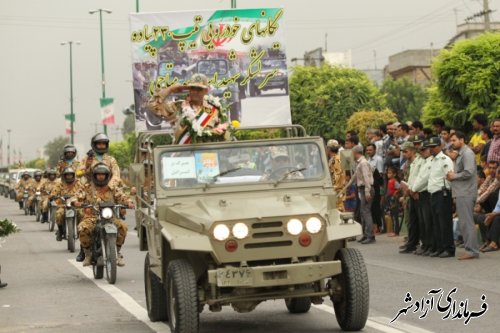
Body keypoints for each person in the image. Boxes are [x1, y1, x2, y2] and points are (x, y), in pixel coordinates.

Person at [72, 163, 134, 267]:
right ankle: (88, 254)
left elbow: (122, 196)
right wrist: (75, 202)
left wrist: (129, 202)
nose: (101, 176)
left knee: (123, 227)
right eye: (98, 174)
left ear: (107, 176)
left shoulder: (112, 188)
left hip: (110, 217)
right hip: (92, 216)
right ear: (95, 176)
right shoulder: (88, 187)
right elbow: (76, 196)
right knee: (82, 228)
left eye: (103, 174)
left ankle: (117, 252)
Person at [147, 73, 229, 144]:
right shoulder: (178, 107)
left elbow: (224, 133)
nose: (195, 91)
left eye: (199, 89)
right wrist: (170, 89)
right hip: (184, 156)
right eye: (192, 88)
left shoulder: (214, 109)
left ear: (206, 91)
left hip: (207, 156)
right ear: (189, 90)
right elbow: (152, 105)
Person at [446, 131, 479, 260]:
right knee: (464, 222)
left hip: (466, 192)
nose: (451, 143)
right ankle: (470, 249)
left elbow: (469, 172)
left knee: (467, 222)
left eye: (454, 140)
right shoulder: (461, 154)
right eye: (451, 141)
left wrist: (454, 176)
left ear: (462, 140)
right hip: (461, 192)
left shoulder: (467, 153)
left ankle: (472, 251)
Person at [427, 137, 455, 258]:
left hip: (442, 193)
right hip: (433, 193)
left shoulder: (445, 159)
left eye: (433, 147)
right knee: (436, 223)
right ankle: (440, 247)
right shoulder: (432, 160)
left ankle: (448, 248)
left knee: (444, 223)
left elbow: (449, 177)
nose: (431, 149)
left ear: (440, 146)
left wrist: (448, 192)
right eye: (430, 147)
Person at [410, 140, 434, 256]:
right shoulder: (423, 161)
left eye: (424, 150)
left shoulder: (430, 162)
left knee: (428, 222)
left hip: (425, 192)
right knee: (423, 222)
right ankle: (425, 244)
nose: (422, 152)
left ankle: (429, 245)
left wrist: (414, 189)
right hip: (419, 192)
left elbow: (424, 179)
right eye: (421, 150)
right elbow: (418, 177)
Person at [50, 167, 84, 242]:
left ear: (73, 175)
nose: (69, 177)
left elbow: (83, 191)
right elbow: (54, 192)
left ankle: (80, 229)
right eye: (67, 175)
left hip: (76, 205)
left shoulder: (78, 183)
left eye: (70, 175)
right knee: (58, 215)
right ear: (64, 176)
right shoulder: (60, 184)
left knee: (82, 214)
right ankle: (60, 231)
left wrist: (81, 197)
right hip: (63, 205)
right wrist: (53, 196)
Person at [352, 146, 375, 244]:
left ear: (356, 153)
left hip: (366, 188)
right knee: (363, 211)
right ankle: (366, 234)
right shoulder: (360, 163)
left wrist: (367, 191)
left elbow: (366, 178)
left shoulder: (363, 163)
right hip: (362, 188)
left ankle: (369, 235)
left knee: (366, 211)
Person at [327, 140, 345, 211]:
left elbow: (337, 175)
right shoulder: (334, 158)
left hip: (337, 191)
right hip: (337, 190)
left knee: (339, 211)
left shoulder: (336, 159)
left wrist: (333, 189)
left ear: (328, 149)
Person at [385, 166, 400, 237]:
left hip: (394, 200)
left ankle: (396, 232)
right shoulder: (389, 181)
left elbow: (400, 188)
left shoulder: (395, 181)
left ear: (394, 174)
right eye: (388, 173)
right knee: (392, 215)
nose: (388, 174)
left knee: (395, 216)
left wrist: (396, 192)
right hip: (389, 200)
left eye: (390, 173)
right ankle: (393, 231)